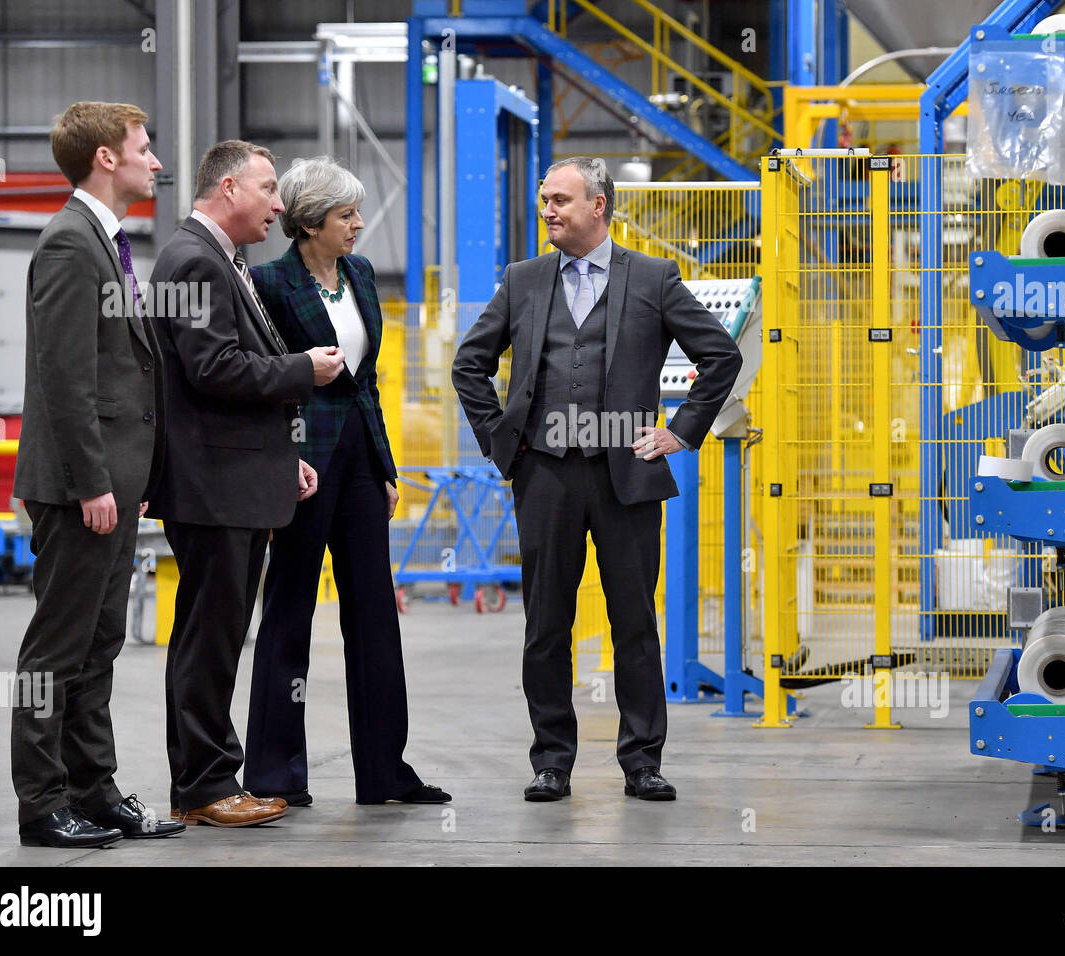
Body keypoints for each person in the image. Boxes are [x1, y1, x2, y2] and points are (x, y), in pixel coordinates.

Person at [452, 156, 742, 802]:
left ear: (599, 206)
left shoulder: (653, 278)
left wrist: (680, 431)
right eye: (545, 201)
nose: (548, 211)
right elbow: (469, 365)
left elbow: (720, 355)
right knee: (546, 626)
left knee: (634, 623)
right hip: (546, 477)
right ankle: (552, 760)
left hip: (627, 479)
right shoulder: (523, 280)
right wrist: (506, 446)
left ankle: (642, 761)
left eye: (560, 200)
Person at [147, 140, 347, 827]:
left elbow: (224, 375)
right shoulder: (195, 259)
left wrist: (276, 454)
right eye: (268, 188)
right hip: (212, 488)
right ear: (229, 188)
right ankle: (204, 787)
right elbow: (214, 368)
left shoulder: (222, 260)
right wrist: (302, 371)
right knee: (210, 639)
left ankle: (205, 780)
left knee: (216, 636)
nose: (280, 205)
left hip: (232, 477)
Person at [242, 156, 449, 807]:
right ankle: (274, 774)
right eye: (345, 216)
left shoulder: (358, 274)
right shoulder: (270, 283)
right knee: (288, 613)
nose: (358, 225)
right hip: (302, 464)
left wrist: (385, 469)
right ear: (308, 224)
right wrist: (279, 459)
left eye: (356, 212)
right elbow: (260, 379)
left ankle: (384, 773)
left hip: (359, 461)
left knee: (374, 615)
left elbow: (366, 384)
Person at [12, 101, 184, 846]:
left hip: (113, 481)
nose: (154, 161)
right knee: (57, 647)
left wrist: (127, 474)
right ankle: (42, 802)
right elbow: (64, 377)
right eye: (144, 149)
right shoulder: (68, 245)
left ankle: (93, 787)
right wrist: (91, 483)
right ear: (107, 158)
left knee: (99, 642)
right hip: (79, 487)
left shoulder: (105, 242)